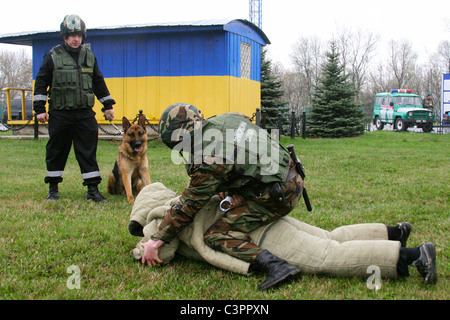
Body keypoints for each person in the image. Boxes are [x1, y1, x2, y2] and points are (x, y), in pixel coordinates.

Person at [137, 103, 438, 289]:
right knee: (328, 236)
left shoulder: (208, 155)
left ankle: (276, 265)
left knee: (219, 233)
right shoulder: (227, 119)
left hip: (274, 195)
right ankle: (396, 233)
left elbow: (190, 205)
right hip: (290, 177)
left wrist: (157, 239)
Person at [33, 14, 115, 203]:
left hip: (84, 113)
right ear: (64, 37)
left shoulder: (89, 56)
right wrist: (39, 109)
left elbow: (98, 82)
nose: (75, 39)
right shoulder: (52, 56)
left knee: (88, 151)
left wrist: (108, 105)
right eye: (71, 35)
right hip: (60, 113)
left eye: (78, 35)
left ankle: (92, 190)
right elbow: (41, 82)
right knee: (56, 151)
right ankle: (53, 190)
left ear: (83, 36)